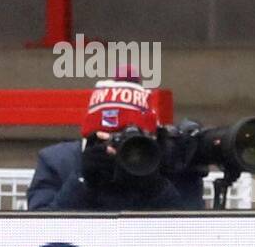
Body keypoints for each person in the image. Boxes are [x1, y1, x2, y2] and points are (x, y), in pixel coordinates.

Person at [28, 79, 207, 212]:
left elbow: (195, 237)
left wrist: (156, 185)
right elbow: (37, 232)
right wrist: (82, 180)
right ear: (90, 138)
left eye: (132, 141)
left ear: (153, 137)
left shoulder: (171, 160)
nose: (121, 150)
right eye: (110, 140)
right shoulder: (56, 162)